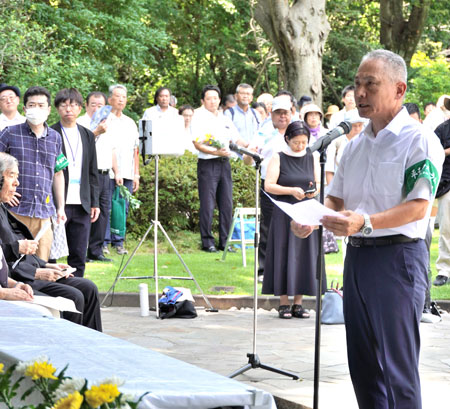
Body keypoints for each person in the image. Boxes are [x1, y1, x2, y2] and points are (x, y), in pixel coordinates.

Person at [291, 49, 444, 409]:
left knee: (397, 370)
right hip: (356, 261)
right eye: (358, 84)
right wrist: (309, 220)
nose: (360, 93)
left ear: (399, 89)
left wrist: (367, 221)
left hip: (397, 259)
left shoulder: (420, 140)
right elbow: (337, 200)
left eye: (370, 85)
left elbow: (420, 205)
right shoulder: (354, 146)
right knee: (363, 368)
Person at [0, 152, 102, 331]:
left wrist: (47, 266)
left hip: (29, 272)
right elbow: (7, 258)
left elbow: (18, 250)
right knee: (74, 296)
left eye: (17, 176)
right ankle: (70, 351)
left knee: (89, 287)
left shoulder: (2, 208)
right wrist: (35, 272)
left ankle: (94, 345)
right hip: (22, 276)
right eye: (11, 176)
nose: (17, 183)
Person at [0, 86, 66, 261]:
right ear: (24, 108)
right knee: (14, 265)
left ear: (49, 109)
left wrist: (60, 207)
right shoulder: (9, 134)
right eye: (32, 105)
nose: (36, 109)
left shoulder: (55, 138)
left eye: (41, 105)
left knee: (41, 266)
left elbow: (58, 173)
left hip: (44, 214)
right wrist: (4, 194)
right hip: (14, 212)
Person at [263, 121, 321, 318]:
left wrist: (313, 192)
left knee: (303, 254)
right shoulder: (278, 157)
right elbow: (269, 185)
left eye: (304, 142)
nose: (300, 146)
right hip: (284, 211)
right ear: (287, 139)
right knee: (284, 252)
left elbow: (318, 181)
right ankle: (283, 302)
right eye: (296, 142)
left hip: (305, 209)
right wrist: (290, 190)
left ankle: (299, 301)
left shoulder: (312, 156)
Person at [51, 88, 100, 277]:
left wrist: (94, 202)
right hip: (57, 202)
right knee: (50, 254)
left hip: (82, 203)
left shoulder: (87, 134)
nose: (68, 109)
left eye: (72, 105)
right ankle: (52, 290)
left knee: (78, 254)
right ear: (57, 109)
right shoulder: (51, 132)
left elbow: (92, 170)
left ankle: (78, 292)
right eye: (63, 105)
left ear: (80, 108)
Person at [244, 96, 292, 279]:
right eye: (278, 113)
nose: (282, 117)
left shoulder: (297, 132)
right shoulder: (263, 133)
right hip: (270, 185)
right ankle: (264, 269)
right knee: (267, 227)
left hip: (292, 185)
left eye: (285, 113)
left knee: (291, 227)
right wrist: (251, 154)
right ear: (271, 114)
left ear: (291, 114)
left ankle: (289, 268)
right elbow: (247, 160)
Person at [191, 85, 240, 253]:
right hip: (208, 164)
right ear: (203, 101)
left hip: (224, 163)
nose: (213, 101)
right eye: (209, 98)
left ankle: (225, 241)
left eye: (215, 98)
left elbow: (236, 139)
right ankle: (207, 242)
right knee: (208, 203)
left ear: (219, 99)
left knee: (226, 203)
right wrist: (215, 151)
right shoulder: (198, 117)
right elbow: (197, 143)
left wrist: (251, 147)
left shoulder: (225, 117)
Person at [103, 84, 140, 256]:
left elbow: (135, 150)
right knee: (107, 207)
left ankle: (119, 242)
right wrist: (115, 170)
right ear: (110, 99)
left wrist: (136, 174)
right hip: (108, 172)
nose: (120, 100)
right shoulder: (105, 120)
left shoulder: (130, 122)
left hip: (127, 172)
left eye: (124, 97)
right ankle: (103, 242)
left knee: (123, 208)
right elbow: (106, 147)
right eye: (117, 96)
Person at [325, 109, 365, 185]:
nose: (357, 129)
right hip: (340, 187)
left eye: (360, 125)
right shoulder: (337, 142)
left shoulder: (366, 142)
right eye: (354, 126)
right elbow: (329, 170)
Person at [433, 111, 450, 286]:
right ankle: (444, 270)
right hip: (447, 183)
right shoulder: (442, 130)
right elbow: (432, 153)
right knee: (446, 229)